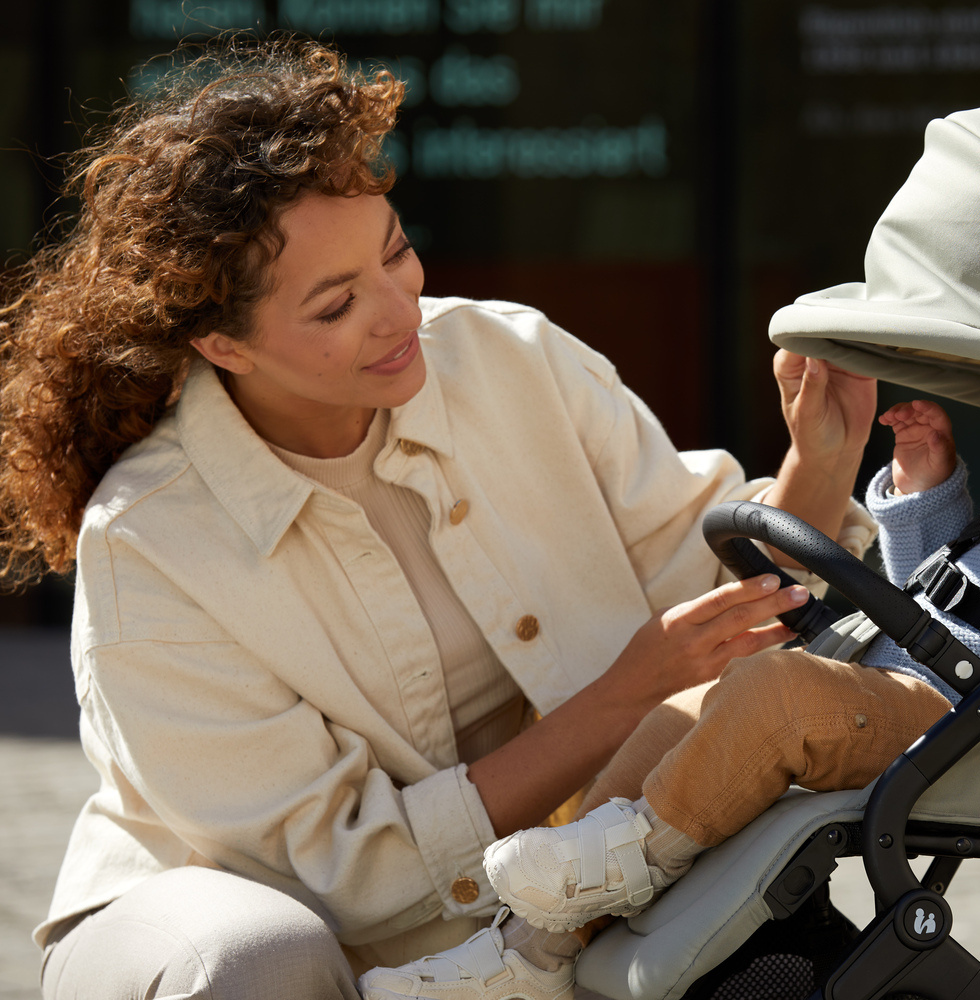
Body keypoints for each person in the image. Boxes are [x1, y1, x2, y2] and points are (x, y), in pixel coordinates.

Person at [0, 39, 877, 999]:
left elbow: (712, 616)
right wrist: (622, 698)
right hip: (231, 916)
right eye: (336, 305)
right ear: (223, 345)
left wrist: (821, 462)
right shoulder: (148, 539)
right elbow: (340, 871)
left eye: (395, 252)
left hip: (545, 901)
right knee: (259, 958)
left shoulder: (513, 357)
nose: (398, 311)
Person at [357, 371, 980, 999]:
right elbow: (936, 589)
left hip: (972, 722)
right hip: (912, 684)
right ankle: (532, 952)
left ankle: (638, 856)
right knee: (684, 711)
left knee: (777, 693)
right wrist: (925, 489)